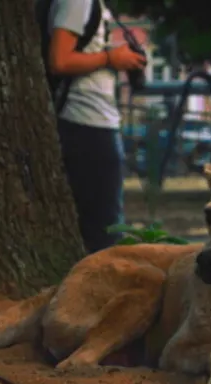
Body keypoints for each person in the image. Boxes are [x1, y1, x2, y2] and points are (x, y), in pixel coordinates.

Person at [43, 0, 146, 253]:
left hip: (95, 122)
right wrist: (111, 58)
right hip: (85, 123)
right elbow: (60, 60)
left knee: (102, 223)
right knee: (104, 230)